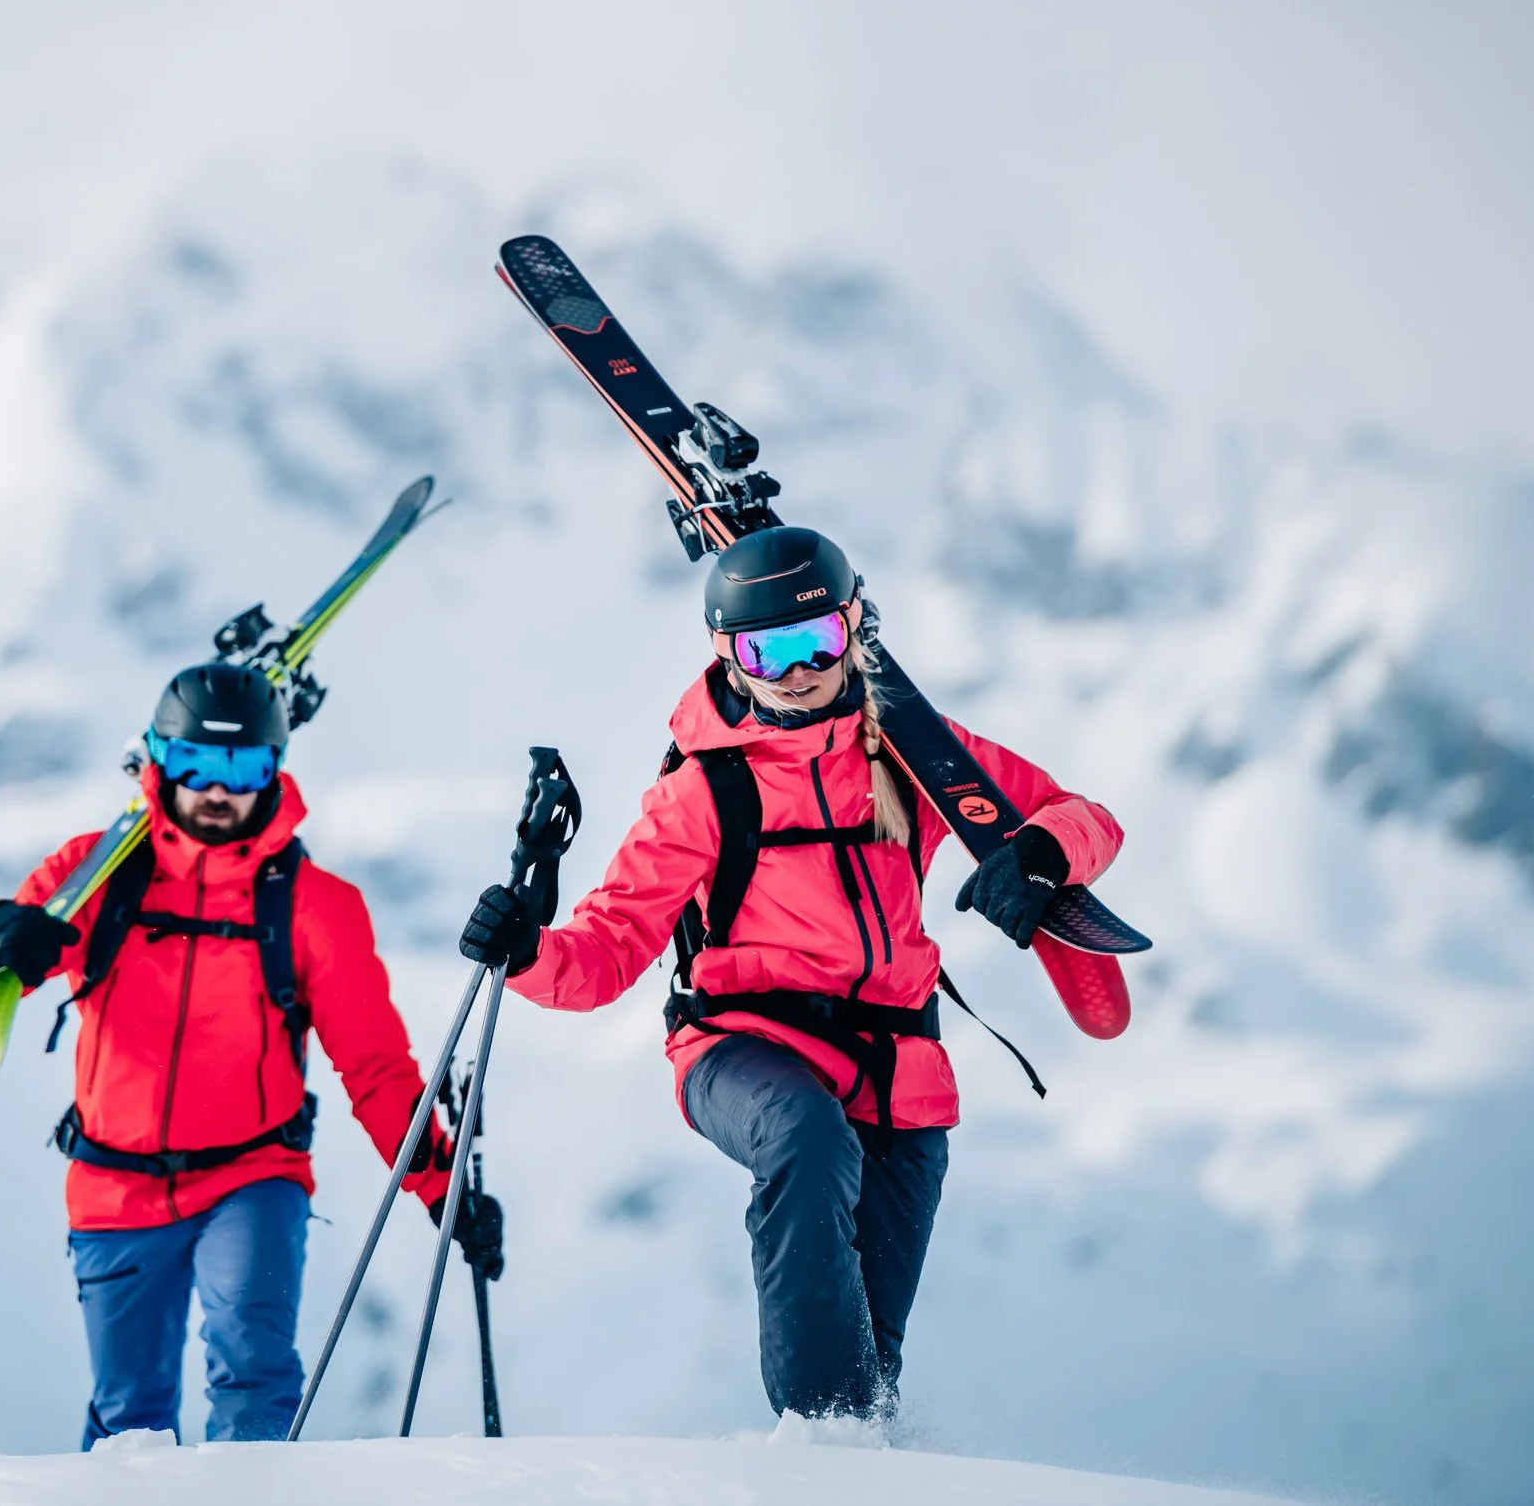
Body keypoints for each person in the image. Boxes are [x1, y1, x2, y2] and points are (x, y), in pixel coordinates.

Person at [456, 527, 1123, 1422]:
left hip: (898, 1079)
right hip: (742, 1046)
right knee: (806, 1138)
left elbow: (1085, 818)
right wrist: (529, 952)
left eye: (819, 642)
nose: (799, 670)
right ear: (726, 653)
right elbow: (611, 942)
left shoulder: (911, 752)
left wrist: (1043, 851)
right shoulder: (705, 787)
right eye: (768, 650)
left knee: (871, 1370)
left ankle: (854, 1464)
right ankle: (820, 1452)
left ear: (855, 627)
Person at [0, 662, 500, 1446]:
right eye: (198, 764)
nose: (218, 789)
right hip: (113, 1190)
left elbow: (376, 1066)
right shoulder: (95, 871)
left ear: (273, 769)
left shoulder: (317, 906)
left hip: (252, 1179)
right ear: (158, 763)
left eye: (242, 767)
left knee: (255, 1379)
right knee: (126, 1417)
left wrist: (441, 1186)